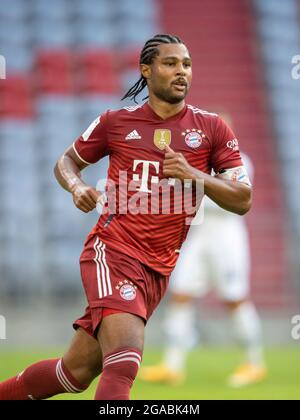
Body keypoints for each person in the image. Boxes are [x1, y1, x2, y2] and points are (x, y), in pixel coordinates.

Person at [0, 34, 252, 400]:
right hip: (112, 252)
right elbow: (66, 162)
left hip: (157, 269)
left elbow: (243, 199)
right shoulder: (115, 122)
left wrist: (195, 174)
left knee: (74, 373)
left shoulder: (212, 128)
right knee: (124, 361)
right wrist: (76, 187)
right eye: (170, 63)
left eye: (186, 64)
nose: (181, 71)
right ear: (146, 70)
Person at [139, 150, 267, 388]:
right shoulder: (192, 160)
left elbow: (235, 200)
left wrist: (191, 188)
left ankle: (253, 362)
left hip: (226, 237)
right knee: (180, 294)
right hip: (197, 236)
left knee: (234, 298)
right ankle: (172, 366)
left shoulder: (239, 162)